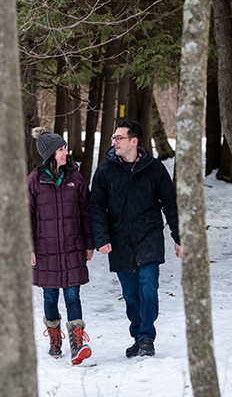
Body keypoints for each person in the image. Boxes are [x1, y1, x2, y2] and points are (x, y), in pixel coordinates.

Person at [89, 120, 181, 358]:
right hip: (119, 240)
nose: (114, 142)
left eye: (119, 138)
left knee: (149, 287)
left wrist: (178, 236)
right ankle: (138, 334)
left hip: (148, 236)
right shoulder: (105, 170)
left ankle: (146, 337)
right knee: (130, 294)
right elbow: (96, 207)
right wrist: (101, 237)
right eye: (113, 138)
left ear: (134, 141)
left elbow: (170, 204)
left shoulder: (155, 169)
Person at [28, 127, 95, 365]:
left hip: (72, 247)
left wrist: (89, 243)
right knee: (50, 297)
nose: (66, 152)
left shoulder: (75, 178)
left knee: (73, 295)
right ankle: (54, 339)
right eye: (61, 149)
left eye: (65, 147)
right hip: (46, 251)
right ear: (50, 153)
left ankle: (77, 343)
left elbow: (86, 213)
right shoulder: (34, 181)